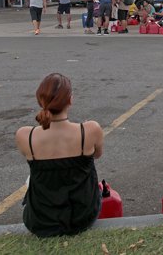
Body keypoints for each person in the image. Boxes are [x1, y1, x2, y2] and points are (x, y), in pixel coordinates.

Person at [16, 73, 104, 237]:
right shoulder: (90, 130)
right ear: (70, 100)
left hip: (40, 220)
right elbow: (98, 154)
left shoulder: (24, 135)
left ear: (40, 100)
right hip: (82, 216)